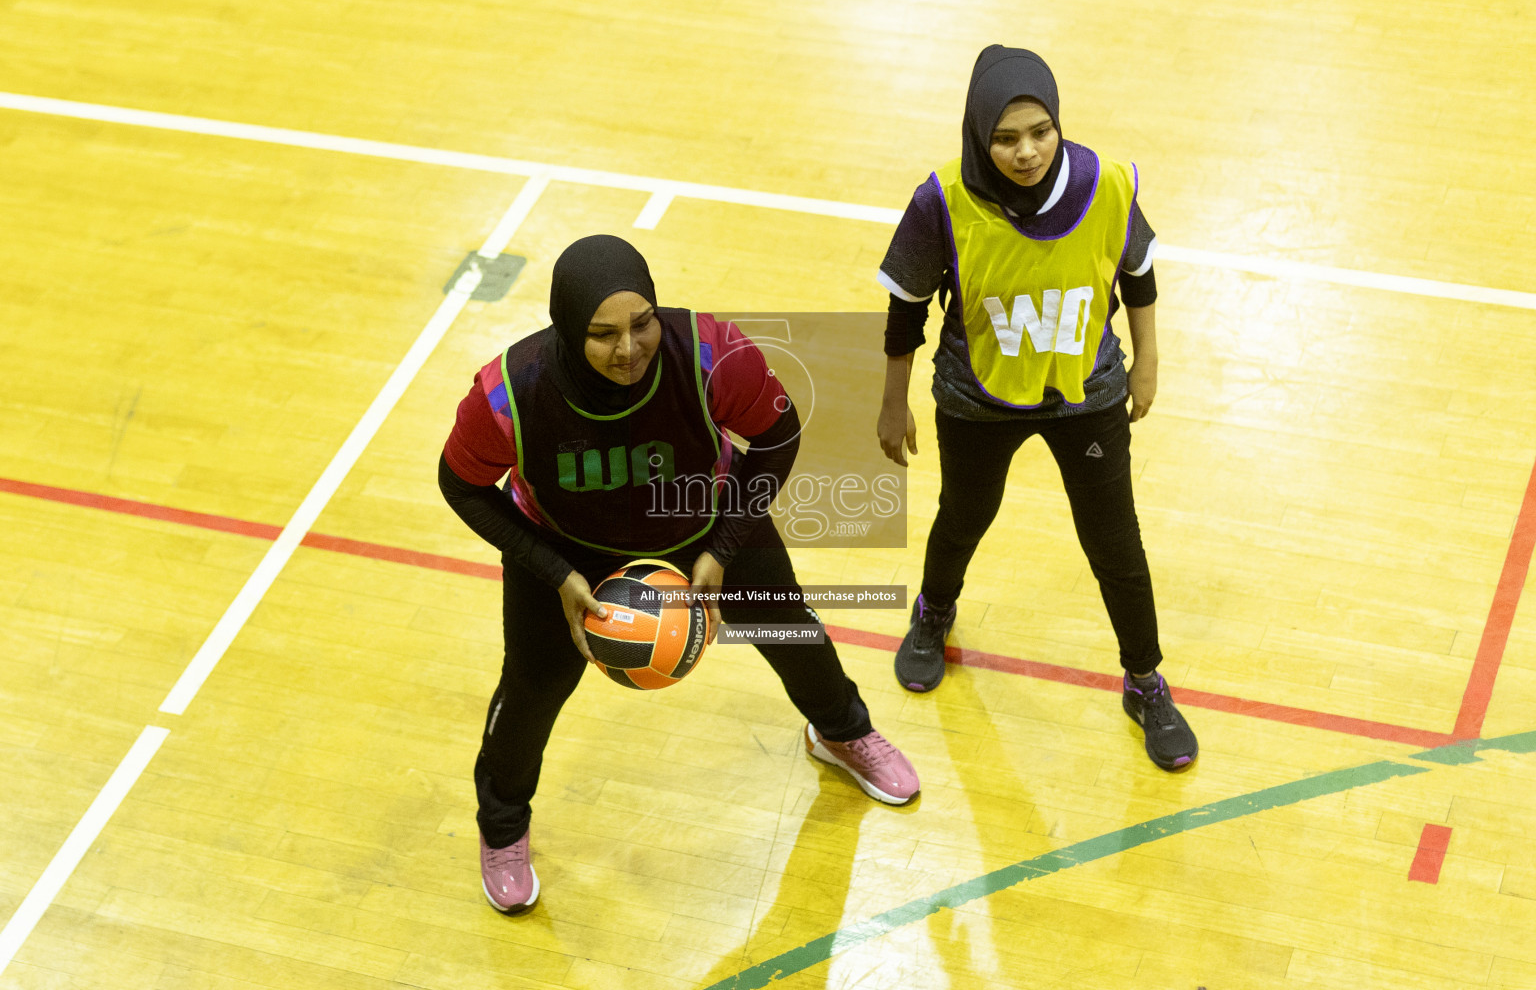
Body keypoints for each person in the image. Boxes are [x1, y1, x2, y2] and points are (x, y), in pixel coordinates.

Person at [439, 234, 921, 913]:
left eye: (642, 323)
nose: (629, 348)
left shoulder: (710, 354)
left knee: (790, 630)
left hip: (701, 528)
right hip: (568, 550)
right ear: (567, 328)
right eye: (603, 334)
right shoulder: (509, 394)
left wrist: (723, 548)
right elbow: (459, 484)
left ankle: (840, 733)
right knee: (532, 688)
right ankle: (502, 828)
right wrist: (552, 572)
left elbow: (778, 437)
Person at [875, 46, 1198, 771]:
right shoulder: (943, 200)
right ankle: (932, 614)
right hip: (976, 397)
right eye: (1005, 137)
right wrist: (893, 402)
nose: (1025, 152)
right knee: (964, 515)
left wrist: (1147, 363)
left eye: (1040, 132)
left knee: (1114, 541)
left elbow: (1138, 275)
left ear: (1059, 125)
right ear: (978, 133)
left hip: (1085, 394)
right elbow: (906, 306)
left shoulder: (1108, 183)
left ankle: (1145, 682)